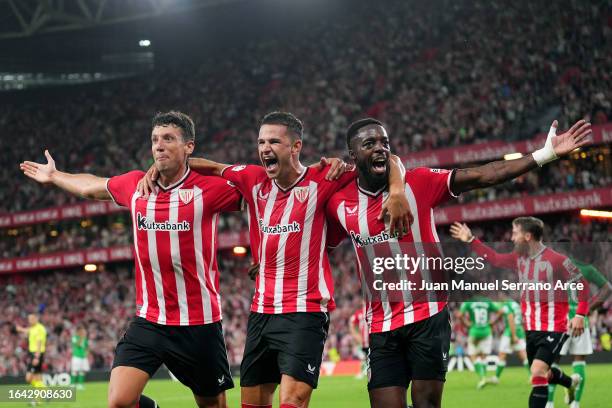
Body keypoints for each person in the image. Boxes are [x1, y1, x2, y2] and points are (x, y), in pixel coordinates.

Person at [138, 111, 411, 408]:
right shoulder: (252, 179)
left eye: (274, 141)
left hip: (304, 312)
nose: (265, 148)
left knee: (291, 402)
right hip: (262, 314)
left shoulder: (325, 177)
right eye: (261, 142)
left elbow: (386, 160)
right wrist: (155, 169)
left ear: (295, 147)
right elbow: (207, 166)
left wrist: (397, 190)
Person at [324, 117, 590, 408]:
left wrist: (545, 154)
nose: (380, 149)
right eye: (369, 144)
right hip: (381, 325)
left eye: (385, 143)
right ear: (353, 154)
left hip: (428, 317)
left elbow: (483, 175)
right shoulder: (339, 202)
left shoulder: (419, 182)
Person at [20, 111, 244, 408]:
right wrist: (55, 176)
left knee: (213, 405)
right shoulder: (137, 185)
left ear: (189, 146)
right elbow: (91, 186)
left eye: (168, 139)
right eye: (154, 140)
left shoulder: (208, 190)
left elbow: (256, 186)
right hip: (150, 320)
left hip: (198, 323)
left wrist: (213, 166)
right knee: (120, 401)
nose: (159, 146)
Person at [450, 217, 588, 408]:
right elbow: (495, 258)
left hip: (554, 327)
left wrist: (580, 314)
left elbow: (583, 284)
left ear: (527, 236)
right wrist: (471, 239)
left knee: (538, 372)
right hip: (531, 329)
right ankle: (570, 382)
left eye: (515, 233)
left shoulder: (558, 260)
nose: (511, 237)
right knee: (542, 373)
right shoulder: (519, 259)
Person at [546, 239, 612, 408]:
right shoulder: (586, 269)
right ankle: (575, 404)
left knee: (552, 362)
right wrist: (587, 309)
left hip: (559, 321)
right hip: (580, 320)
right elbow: (607, 288)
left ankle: (550, 404)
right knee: (579, 361)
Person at [458, 297, 500, 389]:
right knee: (483, 356)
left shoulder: (468, 302)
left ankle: (482, 378)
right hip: (486, 331)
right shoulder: (488, 302)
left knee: (473, 355)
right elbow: (500, 311)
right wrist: (492, 322)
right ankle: (483, 377)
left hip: (475, 331)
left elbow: (460, 315)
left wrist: (467, 323)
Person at [490, 297, 529, 384]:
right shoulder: (516, 305)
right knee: (523, 354)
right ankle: (532, 376)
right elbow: (501, 313)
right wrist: (493, 322)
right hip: (519, 330)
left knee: (502, 354)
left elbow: (510, 317)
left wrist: (513, 335)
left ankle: (496, 377)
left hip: (510, 331)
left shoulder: (507, 305)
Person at [16, 314, 47, 393]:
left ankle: (47, 392)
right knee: (38, 377)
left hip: (36, 354)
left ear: (36, 319)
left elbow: (39, 342)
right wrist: (20, 329)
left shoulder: (40, 329)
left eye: (31, 319)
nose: (29, 321)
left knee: (29, 378)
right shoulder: (33, 328)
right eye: (29, 319)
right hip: (34, 353)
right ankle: (38, 400)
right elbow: (28, 330)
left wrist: (37, 356)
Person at [349, 304, 370, 379]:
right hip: (364, 340)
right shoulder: (359, 313)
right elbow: (351, 323)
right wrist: (356, 335)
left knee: (370, 356)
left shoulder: (374, 310)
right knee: (365, 356)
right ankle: (363, 372)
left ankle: (365, 372)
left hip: (374, 338)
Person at [71, 325, 90, 390]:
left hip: (83, 357)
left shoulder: (85, 339)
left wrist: (87, 353)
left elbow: (87, 347)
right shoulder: (74, 337)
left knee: (82, 371)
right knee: (75, 371)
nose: (84, 332)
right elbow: (77, 345)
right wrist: (81, 338)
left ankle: (80, 384)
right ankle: (72, 384)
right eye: (82, 331)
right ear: (79, 331)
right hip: (76, 357)